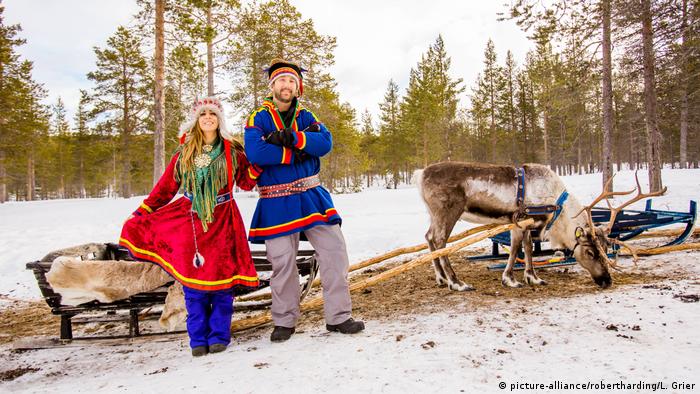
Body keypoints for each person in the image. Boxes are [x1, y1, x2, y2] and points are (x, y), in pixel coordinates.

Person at [120, 97, 261, 356]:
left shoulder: (233, 152)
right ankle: (197, 338)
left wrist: (260, 161)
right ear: (196, 120)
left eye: (213, 114)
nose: (208, 117)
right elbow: (164, 190)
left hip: (224, 219)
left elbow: (246, 182)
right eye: (203, 114)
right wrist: (141, 212)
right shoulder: (183, 154)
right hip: (190, 220)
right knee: (194, 283)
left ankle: (219, 335)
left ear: (220, 120)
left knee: (223, 281)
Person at [244, 58, 365, 342]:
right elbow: (256, 153)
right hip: (276, 200)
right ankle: (284, 321)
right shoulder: (257, 117)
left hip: (312, 195)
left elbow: (325, 144)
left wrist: (294, 140)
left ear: (298, 88)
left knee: (334, 251)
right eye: (281, 80)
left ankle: (339, 317)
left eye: (291, 81)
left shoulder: (308, 117)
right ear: (272, 85)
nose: (286, 85)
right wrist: (295, 154)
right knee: (283, 262)